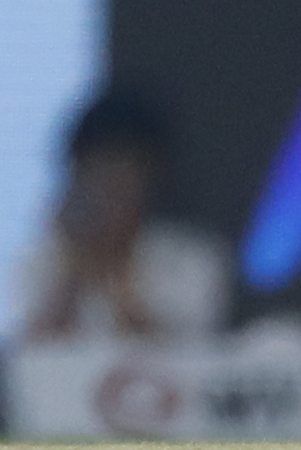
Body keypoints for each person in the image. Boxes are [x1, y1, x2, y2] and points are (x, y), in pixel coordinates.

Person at [15, 89, 227, 344]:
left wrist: (118, 269)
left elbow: (183, 358)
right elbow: (29, 352)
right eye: (99, 170)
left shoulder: (192, 259)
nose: (110, 187)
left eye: (125, 170)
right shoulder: (41, 261)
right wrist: (74, 268)